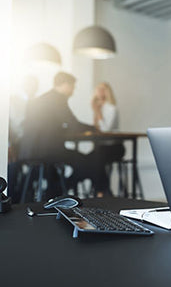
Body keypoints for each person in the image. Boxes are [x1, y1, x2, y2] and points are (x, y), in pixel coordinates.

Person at [19, 72, 108, 200]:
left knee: (73, 163)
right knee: (90, 161)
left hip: (29, 151)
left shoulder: (39, 100)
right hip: (49, 151)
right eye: (73, 86)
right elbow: (73, 124)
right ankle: (93, 196)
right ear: (65, 85)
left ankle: (54, 193)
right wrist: (93, 128)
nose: (73, 90)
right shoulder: (58, 99)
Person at [91, 82, 125, 197]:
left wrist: (98, 112)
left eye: (103, 89)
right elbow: (96, 129)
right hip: (101, 147)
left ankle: (100, 192)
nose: (100, 92)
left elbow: (105, 129)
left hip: (114, 147)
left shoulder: (111, 108)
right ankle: (106, 191)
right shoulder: (98, 107)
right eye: (98, 89)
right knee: (89, 159)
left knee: (97, 158)